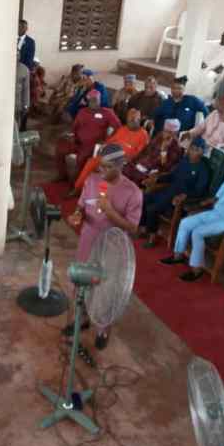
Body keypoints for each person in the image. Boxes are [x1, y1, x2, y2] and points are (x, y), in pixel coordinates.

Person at [65, 144, 142, 349]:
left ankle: (103, 328)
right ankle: (81, 319)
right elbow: (82, 205)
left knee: (105, 287)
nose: (101, 171)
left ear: (121, 165)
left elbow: (133, 228)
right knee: (80, 281)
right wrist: (78, 215)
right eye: (100, 166)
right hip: (88, 240)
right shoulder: (91, 181)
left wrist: (110, 212)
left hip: (112, 247)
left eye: (107, 167)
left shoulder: (132, 192)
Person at [161, 154, 224, 282]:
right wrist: (214, 199)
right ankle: (178, 255)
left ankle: (196, 269)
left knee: (198, 232)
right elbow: (222, 190)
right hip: (217, 212)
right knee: (185, 223)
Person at [140, 137, 210, 248]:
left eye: (197, 149)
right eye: (192, 148)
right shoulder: (184, 161)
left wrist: (185, 196)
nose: (193, 152)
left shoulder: (203, 169)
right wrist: (156, 180)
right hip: (168, 192)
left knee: (152, 208)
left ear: (202, 152)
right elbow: (172, 176)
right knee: (144, 197)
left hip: (178, 200)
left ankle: (152, 237)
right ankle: (143, 228)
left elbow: (199, 191)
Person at [73, 108, 150, 193]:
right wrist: (102, 147)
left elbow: (140, 154)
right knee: (91, 162)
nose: (131, 122)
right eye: (129, 119)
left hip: (122, 161)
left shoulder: (143, 135)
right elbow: (109, 141)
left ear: (139, 120)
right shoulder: (123, 129)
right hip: (109, 154)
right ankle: (77, 188)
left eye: (134, 119)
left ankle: (98, 196)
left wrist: (125, 159)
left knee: (106, 170)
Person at [55, 89, 121, 182]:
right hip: (77, 141)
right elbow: (74, 127)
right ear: (88, 101)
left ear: (100, 100)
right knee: (60, 148)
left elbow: (118, 126)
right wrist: (71, 135)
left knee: (81, 160)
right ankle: (62, 175)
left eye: (95, 99)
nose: (93, 102)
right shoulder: (82, 112)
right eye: (91, 99)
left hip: (92, 145)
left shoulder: (107, 112)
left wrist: (107, 140)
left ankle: (76, 184)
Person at [124, 119, 183, 186]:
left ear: (176, 134)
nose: (166, 134)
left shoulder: (176, 148)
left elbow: (165, 167)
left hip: (151, 171)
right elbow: (146, 150)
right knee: (124, 170)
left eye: (170, 132)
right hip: (142, 163)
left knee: (133, 180)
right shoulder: (159, 136)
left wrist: (164, 150)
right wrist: (134, 160)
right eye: (165, 131)